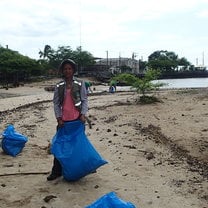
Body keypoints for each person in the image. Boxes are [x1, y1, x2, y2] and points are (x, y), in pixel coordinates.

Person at [47, 59, 88, 181]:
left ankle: (78, 169)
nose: (67, 71)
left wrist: (83, 114)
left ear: (73, 70)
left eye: (70, 68)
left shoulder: (80, 84)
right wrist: (59, 118)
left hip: (77, 121)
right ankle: (56, 171)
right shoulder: (59, 86)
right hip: (64, 122)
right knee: (60, 147)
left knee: (77, 147)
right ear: (62, 71)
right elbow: (56, 103)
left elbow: (85, 100)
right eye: (65, 69)